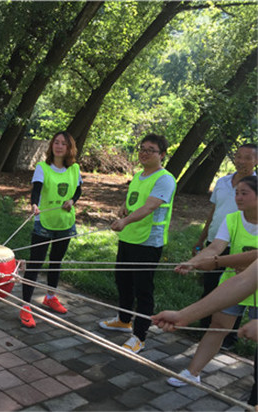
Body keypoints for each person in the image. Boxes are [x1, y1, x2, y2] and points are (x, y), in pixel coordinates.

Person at [164, 175, 257, 394]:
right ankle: (192, 373)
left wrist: (216, 262)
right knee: (218, 328)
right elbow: (215, 247)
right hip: (234, 284)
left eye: (245, 193)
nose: (238, 197)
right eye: (236, 193)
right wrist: (193, 262)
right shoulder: (233, 218)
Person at [98, 134, 176, 354]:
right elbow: (135, 199)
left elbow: (150, 207)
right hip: (129, 237)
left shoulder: (165, 178)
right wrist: (124, 207)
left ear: (161, 155)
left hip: (148, 242)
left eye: (150, 150)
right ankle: (124, 320)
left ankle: (140, 336)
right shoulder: (140, 175)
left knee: (143, 290)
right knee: (123, 281)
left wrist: (124, 220)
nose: (144, 152)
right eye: (141, 148)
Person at [192, 143, 257, 344]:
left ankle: (229, 338)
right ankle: (207, 331)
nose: (241, 161)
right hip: (217, 241)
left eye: (247, 157)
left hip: (243, 247)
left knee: (237, 291)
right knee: (212, 288)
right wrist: (201, 241)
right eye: (238, 156)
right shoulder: (222, 182)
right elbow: (213, 213)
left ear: (256, 161)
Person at [20, 131, 82, 328]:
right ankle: (25, 306)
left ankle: (50, 297)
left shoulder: (75, 169)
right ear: (52, 146)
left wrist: (72, 200)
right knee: (35, 264)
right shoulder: (42, 168)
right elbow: (36, 189)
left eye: (64, 143)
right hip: (45, 222)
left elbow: (78, 189)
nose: (59, 146)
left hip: (65, 223)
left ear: (69, 148)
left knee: (56, 262)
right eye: (56, 142)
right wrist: (34, 205)